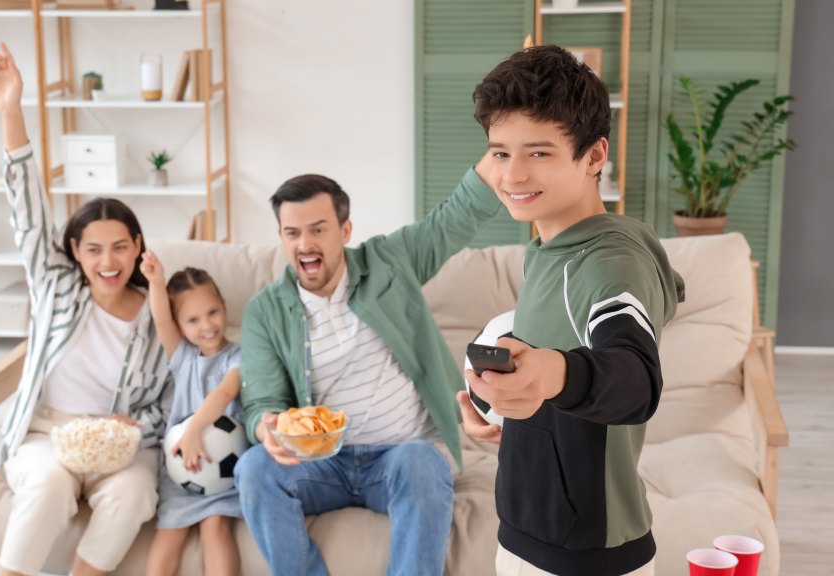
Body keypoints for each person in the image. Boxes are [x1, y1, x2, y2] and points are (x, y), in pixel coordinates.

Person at [458, 45, 685, 576]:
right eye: (499, 152)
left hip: (587, 556)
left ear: (594, 156)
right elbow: (555, 381)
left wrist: (553, 373)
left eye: (538, 153)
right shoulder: (550, 247)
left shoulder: (610, 262)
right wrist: (506, 413)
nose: (512, 175)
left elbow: (633, 376)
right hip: (527, 534)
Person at [234, 159, 503, 574]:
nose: (305, 244)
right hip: (320, 465)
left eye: (318, 229)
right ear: (281, 238)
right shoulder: (264, 312)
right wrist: (265, 426)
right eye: (293, 233)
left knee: (423, 463)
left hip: (398, 457)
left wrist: (503, 149)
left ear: (344, 230)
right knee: (253, 468)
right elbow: (262, 402)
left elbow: (455, 217)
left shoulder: (389, 263)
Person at [0, 43, 172, 576]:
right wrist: (10, 110)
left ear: (138, 246)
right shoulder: (55, 286)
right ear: (74, 253)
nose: (107, 261)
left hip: (122, 446)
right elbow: (27, 209)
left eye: (119, 247)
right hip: (48, 436)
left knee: (137, 494)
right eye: (93, 249)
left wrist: (134, 427)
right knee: (45, 486)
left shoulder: (158, 314)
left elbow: (172, 396)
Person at [139, 254, 242, 576]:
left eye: (212, 312)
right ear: (180, 325)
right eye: (193, 320)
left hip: (224, 474)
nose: (207, 325)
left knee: (215, 527)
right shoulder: (183, 356)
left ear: (224, 306)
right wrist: (156, 282)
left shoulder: (240, 356)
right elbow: (160, 320)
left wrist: (194, 430)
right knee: (170, 532)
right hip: (180, 470)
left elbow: (224, 393)